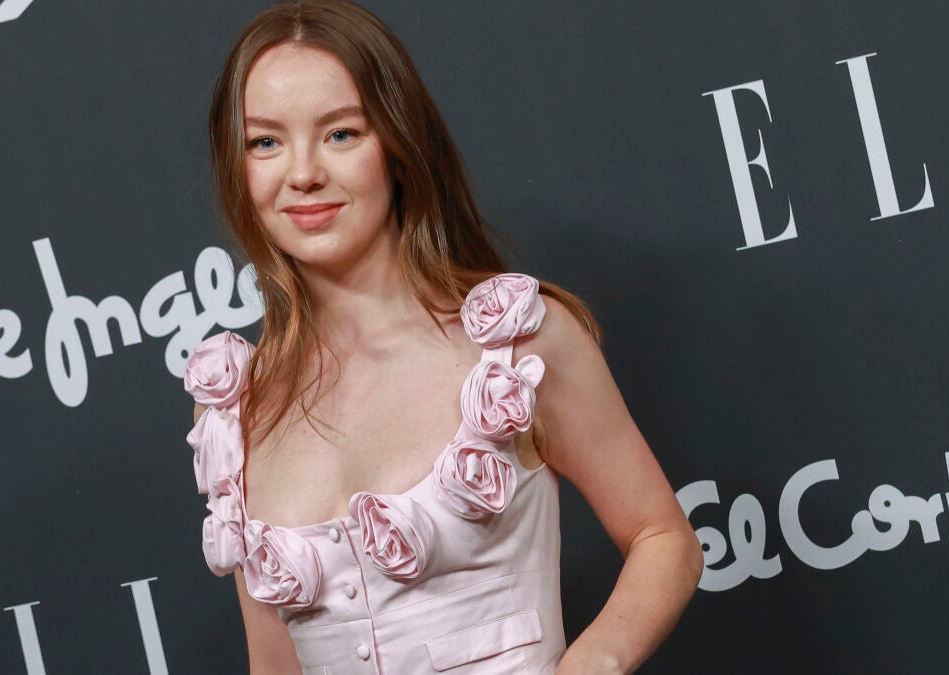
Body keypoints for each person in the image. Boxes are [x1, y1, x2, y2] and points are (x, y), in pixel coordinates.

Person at [183, 1, 704, 672]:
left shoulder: (517, 348)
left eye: (341, 133)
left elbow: (664, 539)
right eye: (265, 142)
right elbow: (274, 664)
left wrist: (590, 663)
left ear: (398, 148)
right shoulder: (236, 408)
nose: (303, 173)